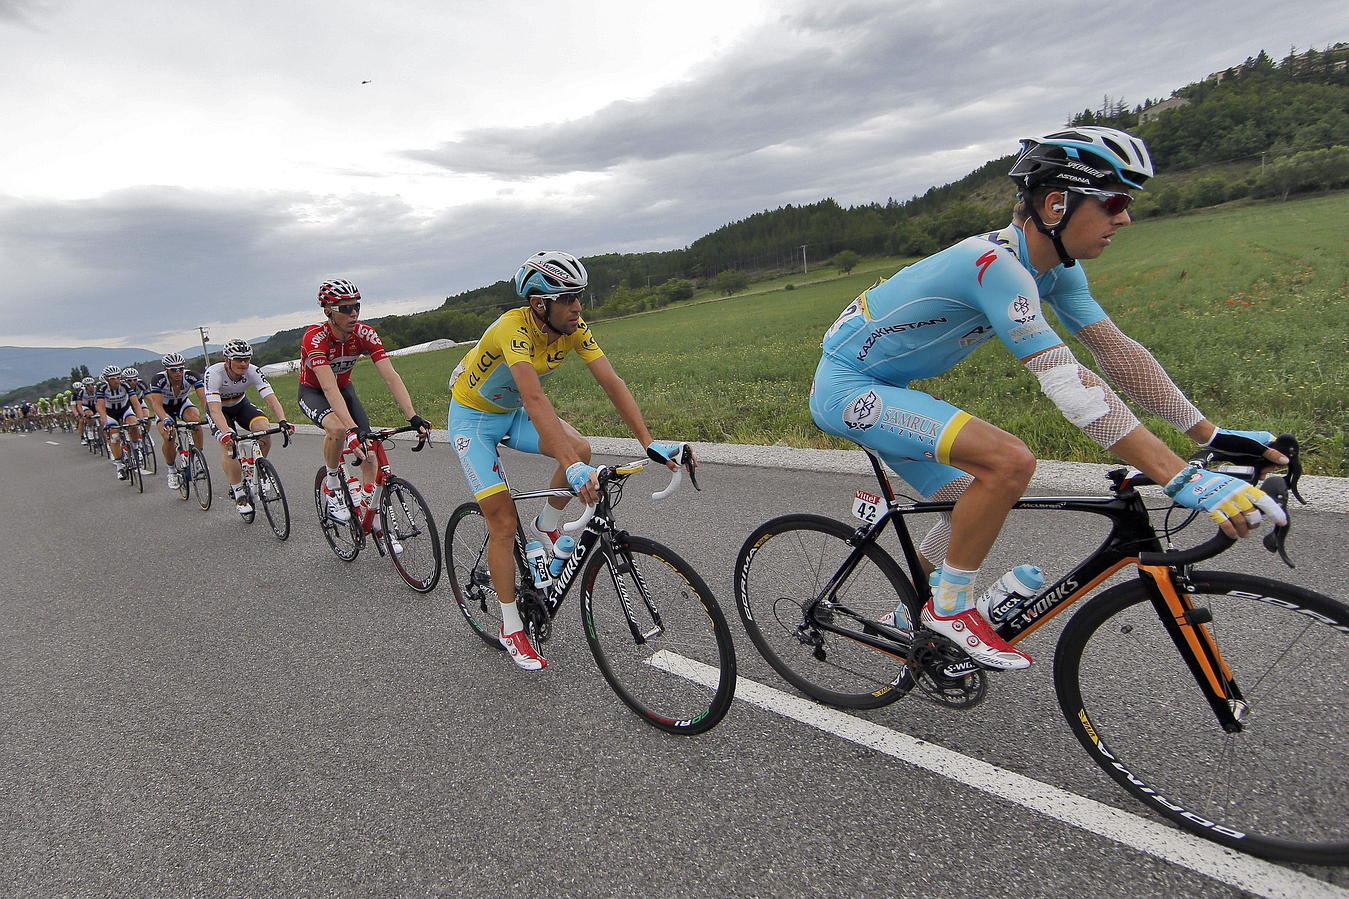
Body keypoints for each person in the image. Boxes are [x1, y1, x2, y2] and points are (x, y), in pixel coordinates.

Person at [810, 126, 1287, 671]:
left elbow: (1117, 353)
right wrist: (1181, 478)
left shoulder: (1056, 271)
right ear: (1057, 204)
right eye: (1114, 202)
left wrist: (1211, 436)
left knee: (974, 496)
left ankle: (911, 608)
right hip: (848, 388)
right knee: (1009, 462)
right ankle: (950, 609)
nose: (1125, 219)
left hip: (889, 386)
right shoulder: (993, 266)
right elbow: (1068, 383)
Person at [448, 250, 692, 670]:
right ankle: (511, 627)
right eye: (566, 298)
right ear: (539, 304)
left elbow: (611, 382)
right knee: (502, 522)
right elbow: (533, 396)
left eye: (579, 295)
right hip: (473, 420)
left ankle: (546, 523)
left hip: (511, 414)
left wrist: (649, 443)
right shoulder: (512, 328)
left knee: (579, 449)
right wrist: (572, 468)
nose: (577, 306)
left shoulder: (574, 328)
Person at [297, 278, 432, 535]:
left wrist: (413, 416)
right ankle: (332, 486)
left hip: (345, 390)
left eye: (356, 306)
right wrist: (350, 430)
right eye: (346, 308)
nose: (354, 313)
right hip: (314, 392)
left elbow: (391, 376)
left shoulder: (365, 334)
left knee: (369, 445)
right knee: (338, 430)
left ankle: (370, 505)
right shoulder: (315, 338)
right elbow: (328, 388)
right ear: (328, 312)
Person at [203, 339, 293, 517]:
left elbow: (271, 398)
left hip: (241, 405)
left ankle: (258, 469)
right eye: (239, 359)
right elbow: (215, 410)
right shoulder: (214, 373)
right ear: (227, 360)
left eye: (247, 359)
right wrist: (227, 433)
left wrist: (283, 420)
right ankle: (239, 493)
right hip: (220, 410)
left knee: (264, 430)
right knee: (229, 447)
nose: (244, 363)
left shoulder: (253, 371)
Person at [145, 352, 208, 490]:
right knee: (169, 436)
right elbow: (156, 405)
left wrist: (208, 413)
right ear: (166, 369)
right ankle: (172, 470)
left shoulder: (190, 376)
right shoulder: (158, 379)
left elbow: (203, 398)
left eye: (180, 368)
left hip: (182, 404)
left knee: (195, 420)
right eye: (174, 369)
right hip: (164, 408)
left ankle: (198, 458)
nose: (178, 372)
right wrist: (165, 419)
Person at [94, 365, 149, 479]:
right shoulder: (102, 388)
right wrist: (105, 422)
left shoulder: (125, 385)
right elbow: (100, 407)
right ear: (107, 379)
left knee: (133, 424)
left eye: (118, 378)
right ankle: (119, 466)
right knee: (114, 436)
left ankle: (136, 448)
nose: (116, 381)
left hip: (125, 409)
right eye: (113, 378)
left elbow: (136, 403)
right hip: (110, 413)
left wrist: (140, 418)